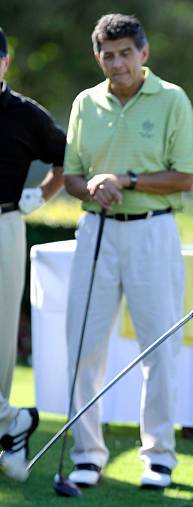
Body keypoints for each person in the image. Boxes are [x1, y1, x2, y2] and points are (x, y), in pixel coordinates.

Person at [63, 14, 193, 490]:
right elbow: (71, 177)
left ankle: (158, 456)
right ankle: (87, 453)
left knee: (158, 347)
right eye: (107, 54)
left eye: (125, 53)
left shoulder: (172, 99)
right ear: (98, 57)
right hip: (97, 230)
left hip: (152, 232)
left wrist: (124, 180)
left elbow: (185, 176)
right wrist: (92, 189)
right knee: (84, 346)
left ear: (144, 53)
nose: (116, 63)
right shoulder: (86, 102)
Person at [0, 27, 65, 481]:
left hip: (4, 223)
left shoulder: (25, 114)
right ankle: (12, 421)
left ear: (4, 62)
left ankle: (7, 434)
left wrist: (41, 196)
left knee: (1, 341)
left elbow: (68, 159)